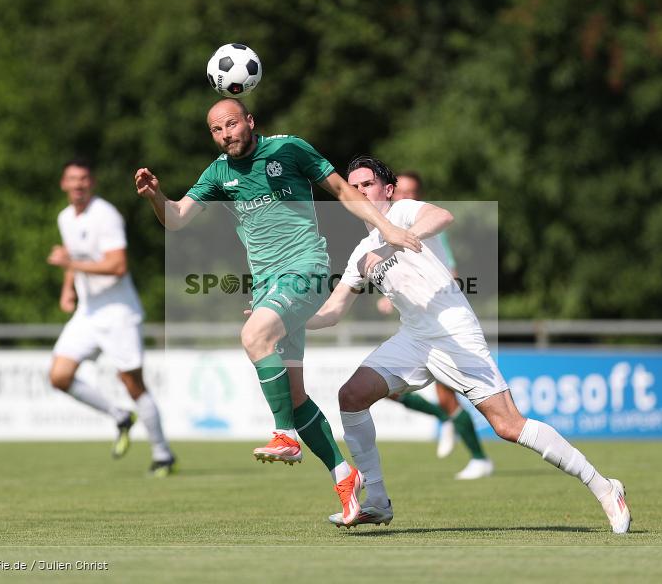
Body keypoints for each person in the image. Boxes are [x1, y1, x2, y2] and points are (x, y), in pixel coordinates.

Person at [307, 156, 631, 534]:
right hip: (413, 338)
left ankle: (605, 487)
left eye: (368, 185)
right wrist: (290, 322)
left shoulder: (405, 211)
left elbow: (442, 217)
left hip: (452, 330)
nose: (361, 192)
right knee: (351, 395)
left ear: (388, 190)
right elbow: (333, 310)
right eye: (354, 187)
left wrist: (395, 241)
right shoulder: (361, 254)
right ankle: (377, 501)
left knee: (509, 426)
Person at [133, 99, 421, 499]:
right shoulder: (219, 172)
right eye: (216, 130)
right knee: (295, 397)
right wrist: (155, 196)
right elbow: (178, 218)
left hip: (305, 269)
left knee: (253, 337)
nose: (225, 135)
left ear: (250, 121)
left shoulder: (289, 149)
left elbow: (340, 189)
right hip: (268, 285)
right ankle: (346, 478)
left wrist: (386, 227)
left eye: (231, 125)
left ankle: (283, 435)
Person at [47, 158, 176, 477]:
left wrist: (71, 267)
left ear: (92, 183)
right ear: (64, 184)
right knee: (59, 376)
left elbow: (118, 266)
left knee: (133, 384)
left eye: (84, 178)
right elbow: (72, 255)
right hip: (88, 313)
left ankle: (162, 454)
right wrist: (69, 289)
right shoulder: (65, 217)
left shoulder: (106, 215)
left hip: (118, 313)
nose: (78, 184)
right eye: (72, 179)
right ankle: (119, 415)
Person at [375, 170, 493, 480]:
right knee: (388, 389)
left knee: (454, 396)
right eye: (400, 192)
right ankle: (448, 421)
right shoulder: (387, 231)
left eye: (411, 192)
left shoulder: (428, 229)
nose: (405, 197)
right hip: (415, 325)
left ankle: (479, 458)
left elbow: (449, 271)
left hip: (441, 323)